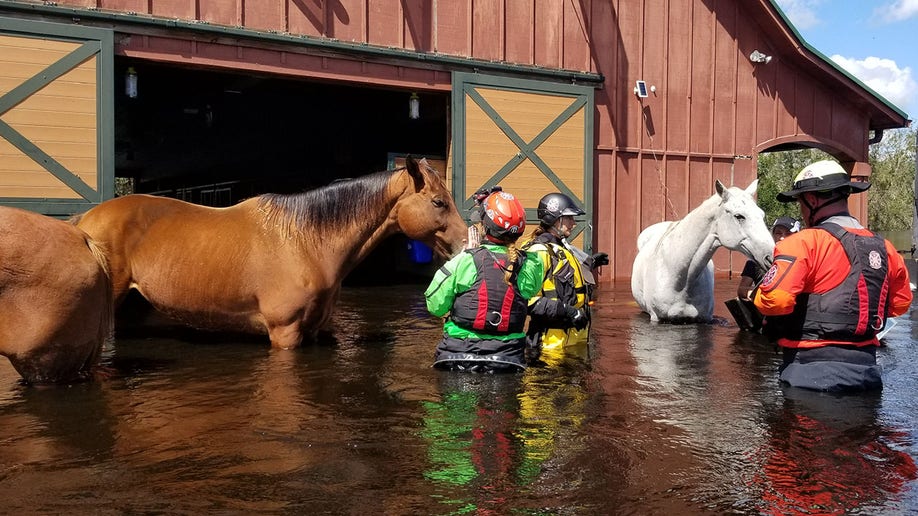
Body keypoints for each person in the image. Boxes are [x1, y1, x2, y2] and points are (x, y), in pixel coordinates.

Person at [753, 160, 913, 391]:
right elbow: (899, 306)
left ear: (812, 200)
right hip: (867, 374)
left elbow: (776, 302)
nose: (801, 209)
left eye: (800, 202)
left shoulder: (801, 243)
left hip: (809, 373)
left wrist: (756, 296)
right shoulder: (886, 248)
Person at [425, 190, 544, 372]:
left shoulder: (465, 261)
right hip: (507, 360)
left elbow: (435, 306)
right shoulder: (531, 265)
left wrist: (469, 253)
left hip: (458, 357)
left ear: (484, 227)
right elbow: (531, 290)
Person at [521, 192, 608, 364]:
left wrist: (591, 263)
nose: (574, 223)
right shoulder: (538, 252)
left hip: (573, 343)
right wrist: (568, 311)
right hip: (549, 347)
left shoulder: (561, 248)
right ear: (555, 219)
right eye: (569, 218)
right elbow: (527, 300)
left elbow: (566, 278)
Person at [736, 216, 800, 301]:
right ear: (772, 235)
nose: (782, 238)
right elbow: (742, 290)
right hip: (765, 309)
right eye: (778, 233)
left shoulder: (804, 261)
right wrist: (759, 295)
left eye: (788, 234)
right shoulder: (756, 261)